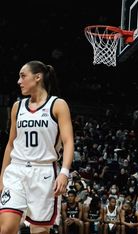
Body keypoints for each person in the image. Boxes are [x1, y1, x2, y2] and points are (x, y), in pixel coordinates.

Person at [0, 60, 74, 234]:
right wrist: (2, 175)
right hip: (16, 170)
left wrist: (64, 173)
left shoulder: (58, 105)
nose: (19, 81)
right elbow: (11, 143)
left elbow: (68, 141)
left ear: (38, 77)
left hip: (44, 172)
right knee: (6, 228)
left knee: (39, 231)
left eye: (23, 76)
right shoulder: (17, 107)